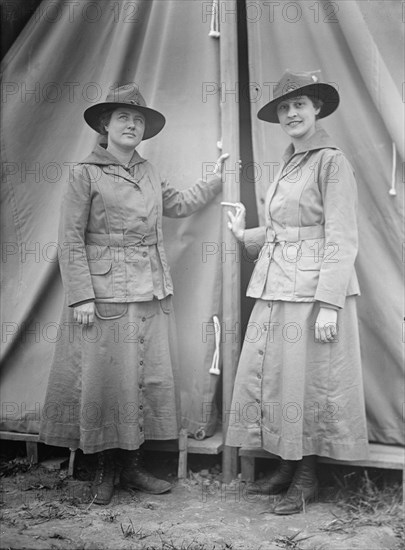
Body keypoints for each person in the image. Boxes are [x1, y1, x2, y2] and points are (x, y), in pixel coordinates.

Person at [39, 83, 227, 505]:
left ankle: (133, 467)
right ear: (105, 125)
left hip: (150, 289)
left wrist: (217, 179)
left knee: (143, 379)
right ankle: (105, 470)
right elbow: (69, 239)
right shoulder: (84, 172)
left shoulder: (148, 171)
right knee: (107, 382)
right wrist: (82, 296)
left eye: (138, 119)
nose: (131, 125)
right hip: (104, 295)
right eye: (123, 117)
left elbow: (176, 204)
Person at [225, 70, 368, 515]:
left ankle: (308, 478)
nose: (291, 113)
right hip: (275, 282)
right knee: (281, 380)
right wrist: (245, 234)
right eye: (285, 108)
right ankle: (288, 466)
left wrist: (330, 304)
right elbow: (287, 228)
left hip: (311, 290)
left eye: (299, 105)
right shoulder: (291, 161)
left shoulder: (331, 161)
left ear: (317, 109)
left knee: (305, 383)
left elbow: (341, 236)